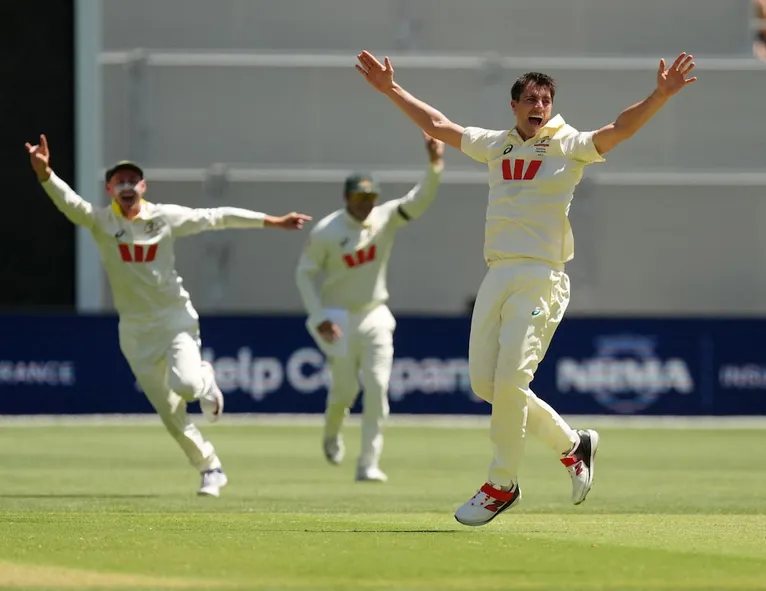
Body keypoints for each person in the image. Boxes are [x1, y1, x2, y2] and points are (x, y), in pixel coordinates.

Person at [355, 49, 696, 526]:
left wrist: (659, 95)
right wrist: (391, 89)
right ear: (514, 105)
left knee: (512, 380)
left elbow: (619, 130)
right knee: (487, 384)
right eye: (531, 99)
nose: (540, 106)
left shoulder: (567, 144)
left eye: (546, 100)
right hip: (498, 274)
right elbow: (438, 124)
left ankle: (501, 483)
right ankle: (572, 445)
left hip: (542, 276)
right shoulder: (497, 144)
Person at [25, 134, 312, 497]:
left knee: (188, 387)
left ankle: (206, 381)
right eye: (120, 181)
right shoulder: (100, 222)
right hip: (134, 331)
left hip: (174, 319)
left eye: (133, 180)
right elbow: (69, 204)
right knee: (171, 413)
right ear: (110, 188)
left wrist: (272, 221)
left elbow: (216, 218)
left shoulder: (164, 217)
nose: (127, 186)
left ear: (143, 186)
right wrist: (46, 174)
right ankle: (210, 468)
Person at [295, 131, 445, 482]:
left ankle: (368, 463)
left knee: (377, 386)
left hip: (376, 312)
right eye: (359, 196)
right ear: (347, 197)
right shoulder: (327, 231)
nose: (365, 203)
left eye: (370, 196)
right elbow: (304, 274)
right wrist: (318, 317)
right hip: (337, 317)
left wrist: (435, 164)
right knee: (345, 390)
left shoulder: (384, 217)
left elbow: (419, 199)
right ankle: (331, 433)